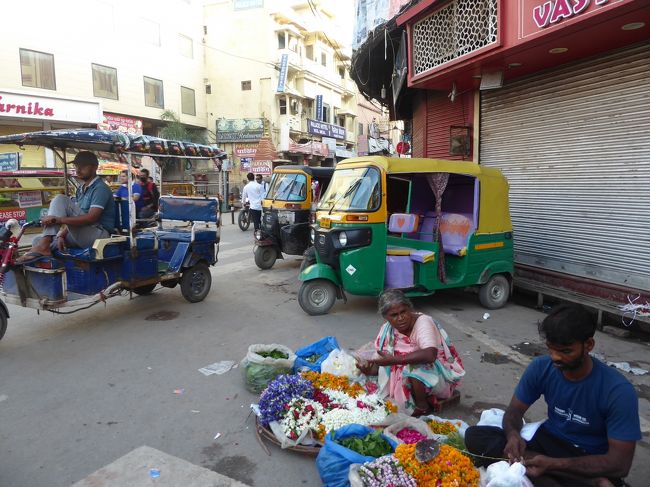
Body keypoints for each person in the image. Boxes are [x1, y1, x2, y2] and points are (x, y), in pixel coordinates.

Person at [465, 304, 641, 487]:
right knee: (475, 436)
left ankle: (544, 474)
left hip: (587, 455)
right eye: (551, 349)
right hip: (549, 441)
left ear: (588, 345)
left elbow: (620, 465)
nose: (555, 357)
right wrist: (513, 434)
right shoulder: (541, 367)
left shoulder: (618, 391)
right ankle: (581, 480)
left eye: (565, 351)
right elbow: (514, 411)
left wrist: (552, 464)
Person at [356, 289, 465, 416]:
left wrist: (394, 360)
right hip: (404, 370)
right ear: (386, 317)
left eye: (404, 312)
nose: (401, 318)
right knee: (368, 364)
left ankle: (422, 407)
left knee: (414, 367)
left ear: (410, 309)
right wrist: (370, 370)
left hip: (437, 374)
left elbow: (430, 355)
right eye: (394, 315)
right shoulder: (387, 329)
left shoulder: (423, 322)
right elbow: (382, 359)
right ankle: (405, 395)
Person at [16, 151, 115, 262]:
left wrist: (58, 220)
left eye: (82, 166)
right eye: (76, 166)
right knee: (37, 240)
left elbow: (91, 218)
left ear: (94, 167)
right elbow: (76, 217)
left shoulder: (100, 188)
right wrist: (61, 235)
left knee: (60, 199)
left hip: (99, 235)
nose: (78, 169)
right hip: (83, 233)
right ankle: (54, 270)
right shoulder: (81, 189)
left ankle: (44, 245)